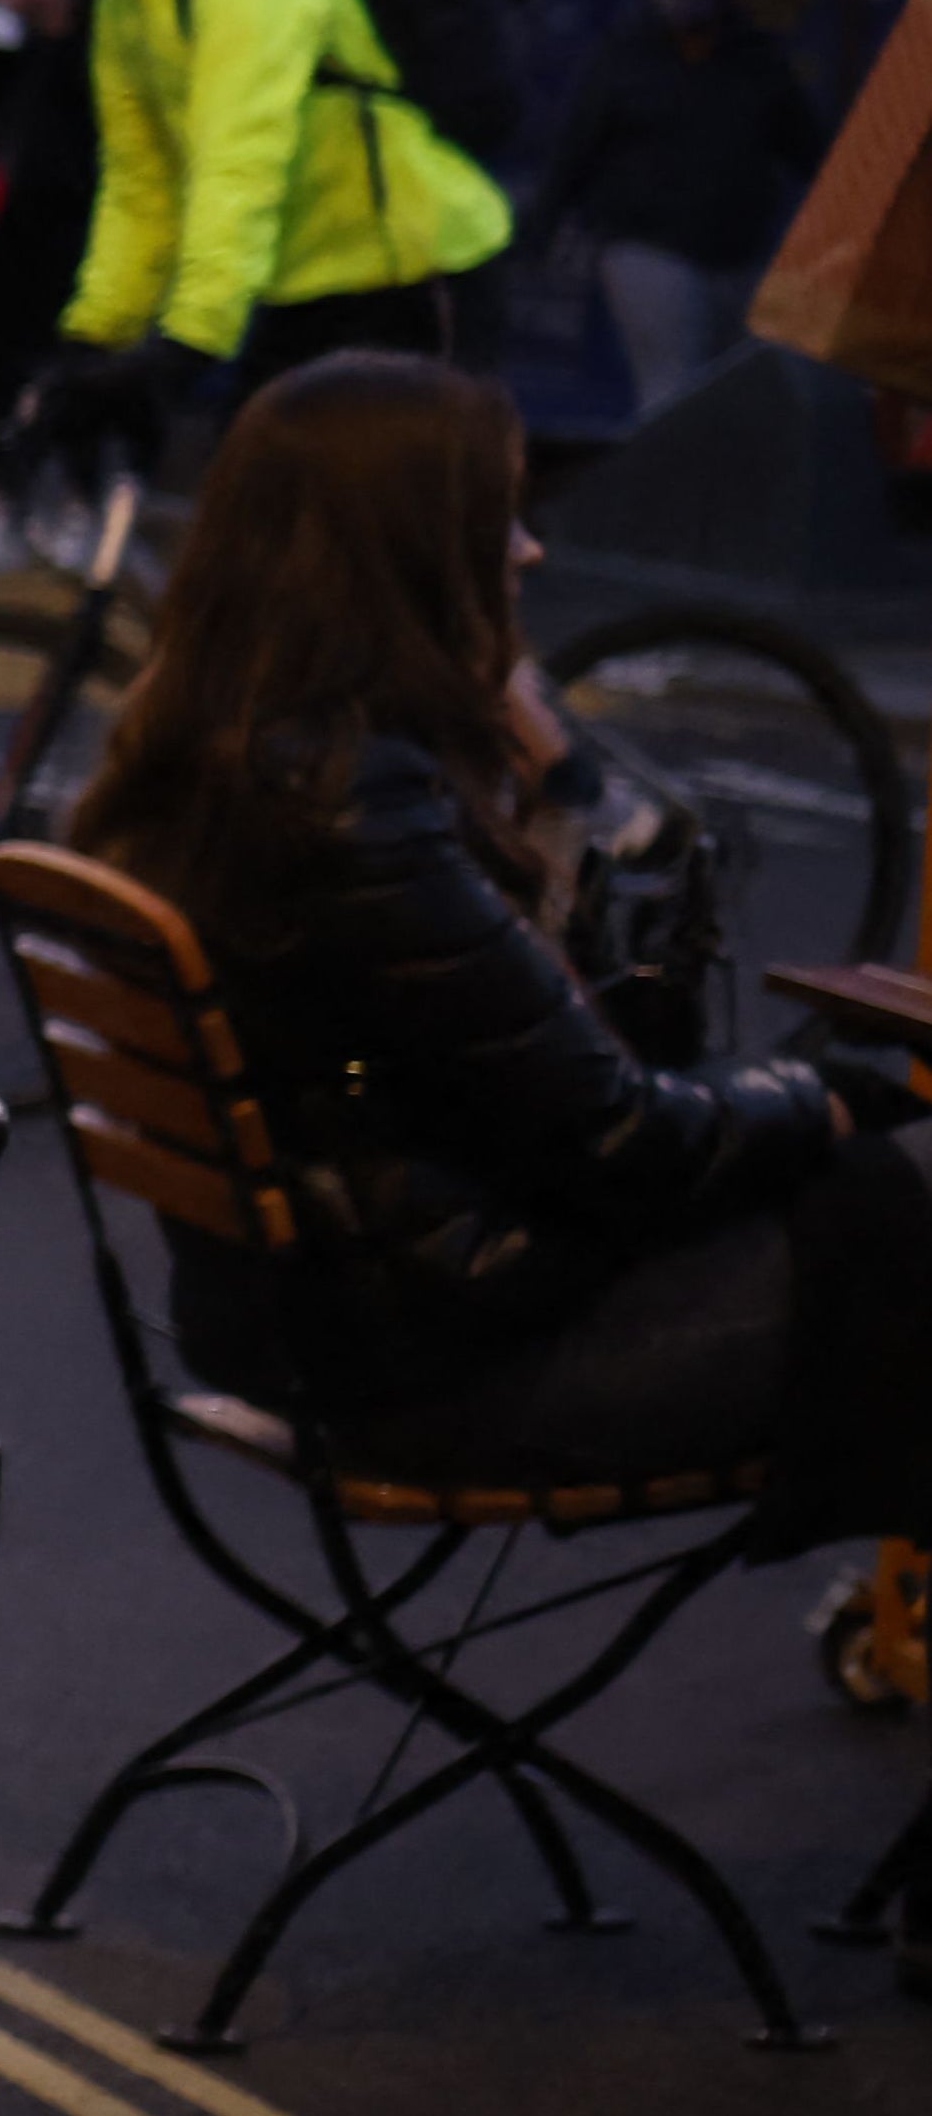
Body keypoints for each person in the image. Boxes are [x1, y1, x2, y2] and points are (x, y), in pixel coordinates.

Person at [76, 355, 932, 1538]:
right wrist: (822, 1098)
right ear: (407, 554)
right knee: (892, 1191)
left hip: (305, 1326)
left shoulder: (214, 761)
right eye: (497, 520)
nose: (529, 553)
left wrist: (546, 798)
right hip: (446, 1367)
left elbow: (539, 1070)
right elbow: (622, 1137)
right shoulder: (354, 810)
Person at [19, 0, 516, 474]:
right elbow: (140, 186)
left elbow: (238, 156)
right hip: (298, 285)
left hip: (410, 272)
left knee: (408, 530)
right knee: (267, 523)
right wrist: (91, 340)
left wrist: (186, 345)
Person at [528, 0, 823, 418]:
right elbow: (577, 144)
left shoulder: (756, 62)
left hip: (737, 252)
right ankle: (669, 487)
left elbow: (807, 149)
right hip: (646, 242)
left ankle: (708, 487)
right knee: (672, 385)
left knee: (724, 391)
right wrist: (544, 226)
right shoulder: (627, 55)